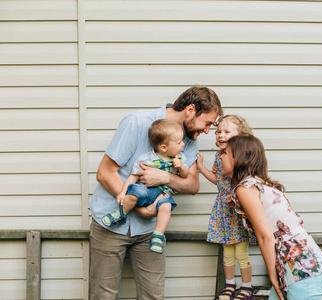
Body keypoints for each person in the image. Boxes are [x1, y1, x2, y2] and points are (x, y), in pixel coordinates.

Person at [89, 86, 223, 300]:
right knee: (103, 295)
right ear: (190, 110)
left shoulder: (189, 142)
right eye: (207, 123)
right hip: (110, 222)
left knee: (153, 296)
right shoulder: (137, 122)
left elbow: (192, 186)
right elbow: (105, 173)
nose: (207, 131)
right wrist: (140, 208)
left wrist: (167, 178)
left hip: (151, 232)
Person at [221, 135, 322, 300]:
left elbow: (265, 237)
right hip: (301, 267)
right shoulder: (257, 184)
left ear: (238, 158)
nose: (220, 156)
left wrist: (273, 277)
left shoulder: (245, 188)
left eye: (225, 152)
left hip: (303, 271)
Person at [101, 119, 189, 254]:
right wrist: (122, 193)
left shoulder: (180, 158)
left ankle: (158, 236)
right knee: (135, 193)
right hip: (145, 190)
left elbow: (185, 175)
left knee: (166, 206)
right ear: (164, 147)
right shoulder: (146, 159)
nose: (183, 144)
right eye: (179, 142)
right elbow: (133, 177)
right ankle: (120, 213)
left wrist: (181, 167)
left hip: (162, 194)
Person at [197, 115, 257, 300]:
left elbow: (250, 182)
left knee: (241, 252)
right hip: (223, 210)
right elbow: (219, 180)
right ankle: (229, 285)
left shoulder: (243, 156)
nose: (221, 135)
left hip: (238, 211)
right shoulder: (218, 156)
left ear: (241, 135)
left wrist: (237, 199)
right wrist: (200, 167)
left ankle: (247, 288)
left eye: (226, 132)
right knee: (227, 252)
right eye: (218, 132)